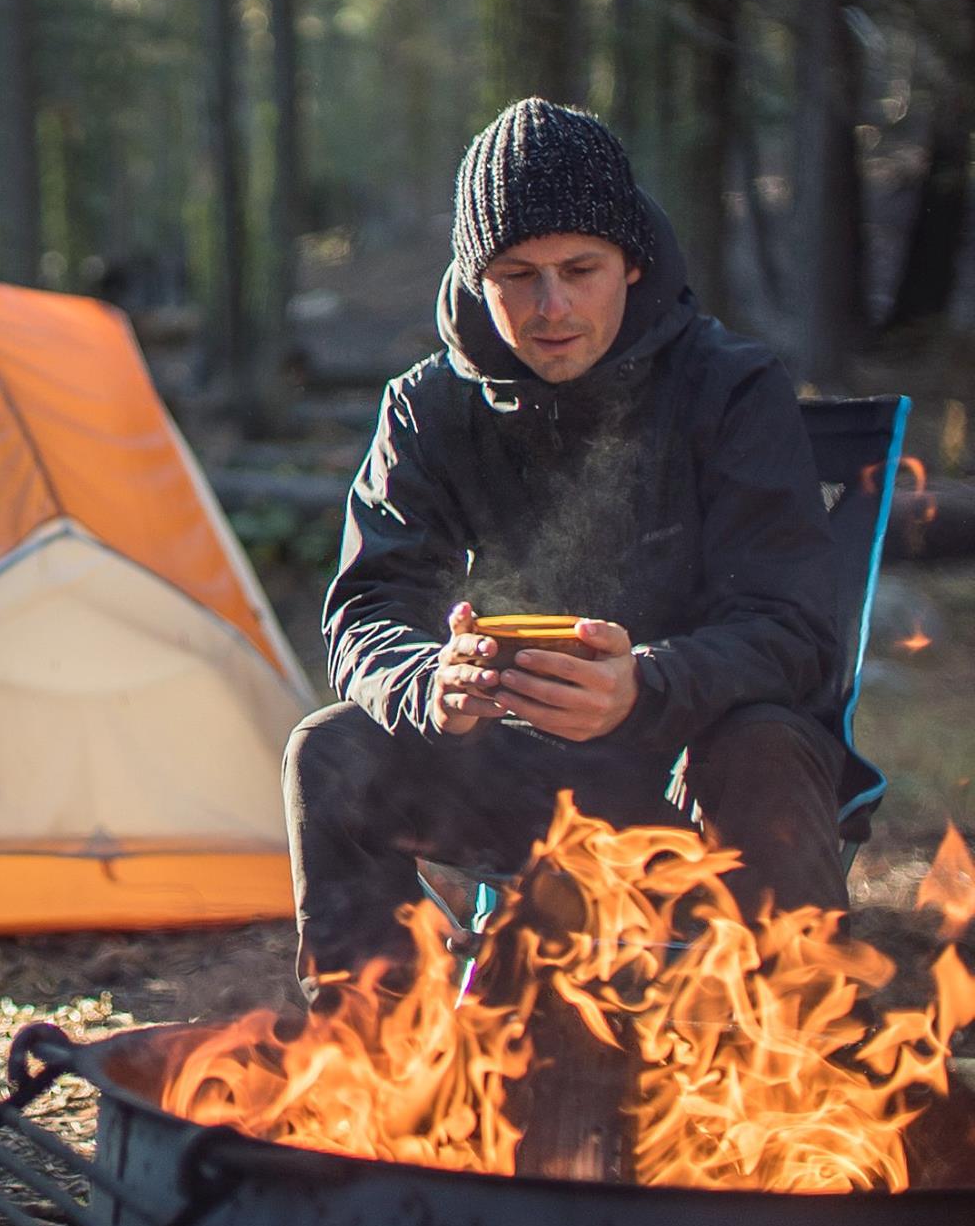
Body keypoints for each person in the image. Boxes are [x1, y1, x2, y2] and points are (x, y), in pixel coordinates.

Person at [286, 97, 858, 984]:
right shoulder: (430, 406)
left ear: (631, 262)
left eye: (579, 269)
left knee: (764, 746)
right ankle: (375, 1049)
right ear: (476, 279)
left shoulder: (730, 389)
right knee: (329, 751)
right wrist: (431, 682)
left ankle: (803, 1046)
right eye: (517, 275)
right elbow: (366, 610)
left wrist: (646, 685)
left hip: (698, 772)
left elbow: (795, 630)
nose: (551, 307)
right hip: (523, 770)